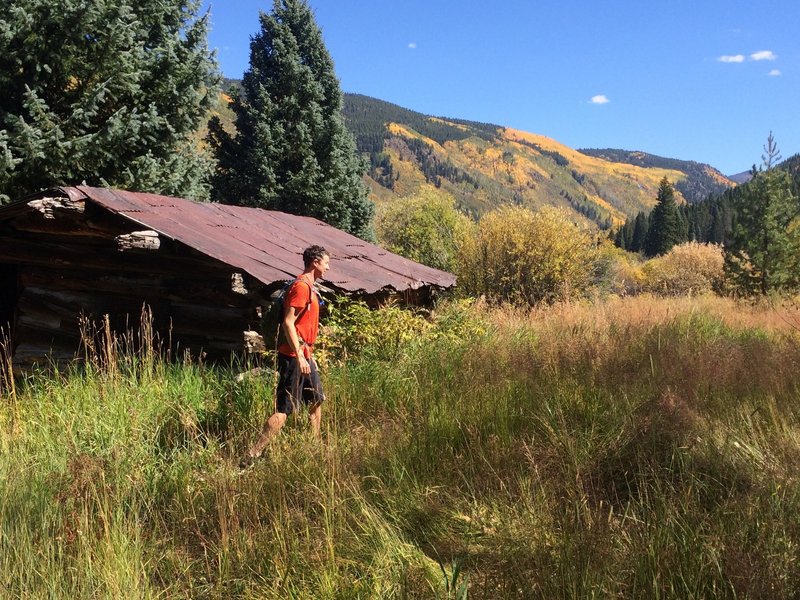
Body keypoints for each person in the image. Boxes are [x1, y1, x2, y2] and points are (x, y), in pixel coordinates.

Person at [244, 245, 330, 463]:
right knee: (284, 410)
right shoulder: (301, 287)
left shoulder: (310, 287)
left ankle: (316, 446)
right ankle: (252, 454)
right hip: (293, 357)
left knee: (316, 399)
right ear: (315, 262)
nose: (328, 267)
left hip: (305, 355)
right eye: (326, 262)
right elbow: (288, 323)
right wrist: (300, 356)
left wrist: (309, 356)